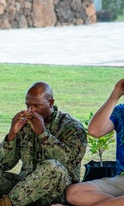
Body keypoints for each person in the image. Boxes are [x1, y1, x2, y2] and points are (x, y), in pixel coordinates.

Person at [0, 81, 87, 206]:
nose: (31, 110)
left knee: (53, 167)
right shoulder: (25, 125)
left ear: (51, 103)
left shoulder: (72, 127)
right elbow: (3, 164)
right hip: (24, 189)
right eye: (28, 105)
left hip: (56, 191)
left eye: (36, 105)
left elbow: (69, 163)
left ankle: (4, 204)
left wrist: (43, 134)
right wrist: (12, 134)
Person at [52, 78, 124, 206]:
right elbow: (95, 130)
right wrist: (115, 95)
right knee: (74, 193)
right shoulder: (121, 111)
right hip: (121, 180)